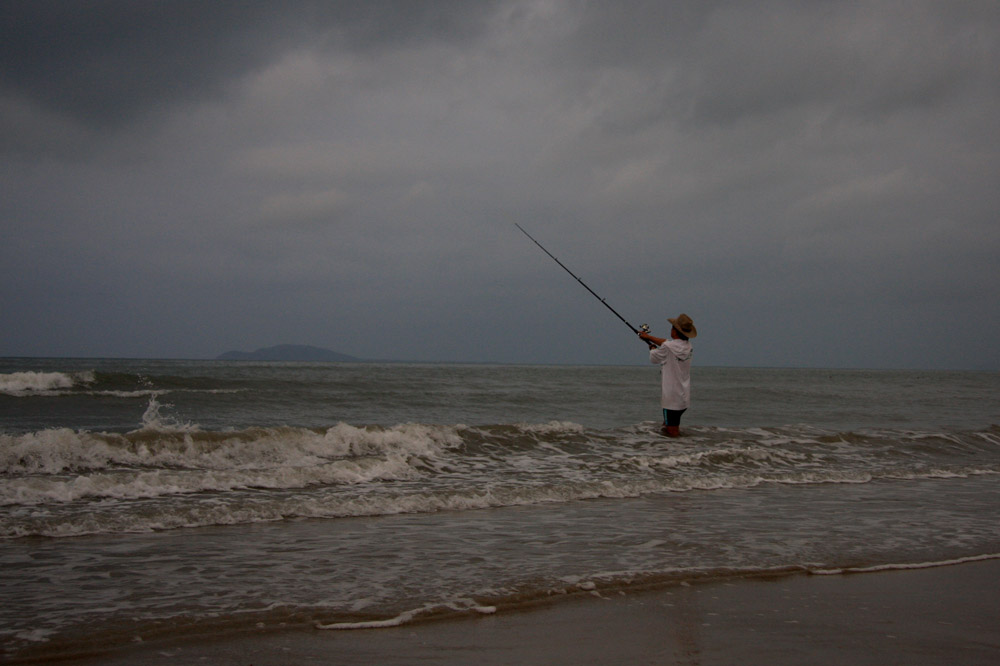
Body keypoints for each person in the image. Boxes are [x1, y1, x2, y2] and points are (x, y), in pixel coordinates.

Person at [638, 313, 697, 437]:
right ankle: (671, 451)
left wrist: (652, 347)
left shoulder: (668, 347)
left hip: (671, 398)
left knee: (672, 431)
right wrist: (648, 337)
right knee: (668, 425)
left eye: (672, 328)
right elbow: (666, 343)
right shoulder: (688, 346)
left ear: (675, 332)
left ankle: (679, 453)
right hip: (683, 397)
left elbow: (654, 358)